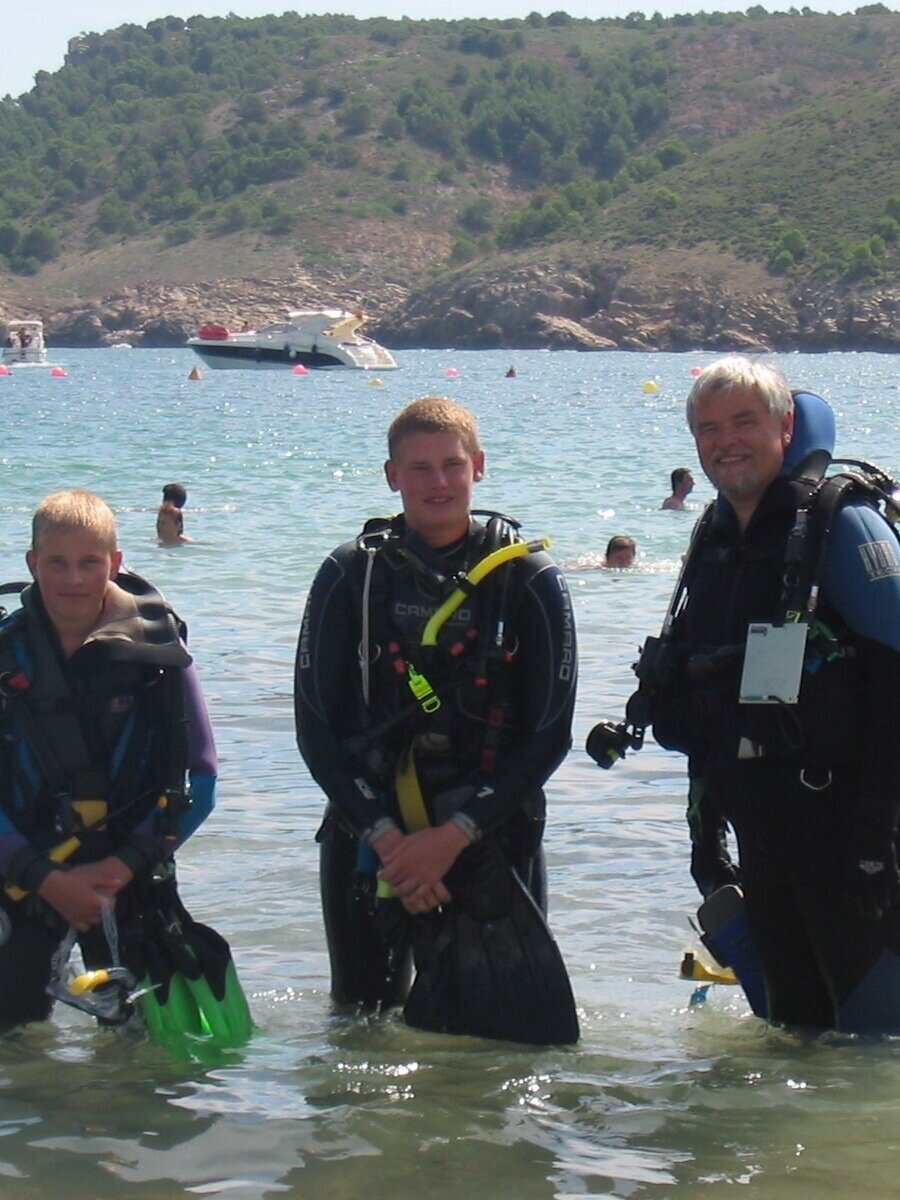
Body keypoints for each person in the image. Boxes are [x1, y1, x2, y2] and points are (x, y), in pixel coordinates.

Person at [295, 396, 579, 1043]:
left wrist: (451, 838)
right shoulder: (349, 575)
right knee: (359, 1034)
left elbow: (549, 734)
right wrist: (394, 846)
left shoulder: (530, 579)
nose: (438, 483)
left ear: (478, 468)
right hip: (371, 840)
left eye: (452, 465)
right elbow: (315, 728)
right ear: (392, 477)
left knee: (500, 1050)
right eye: (419, 469)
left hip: (489, 837)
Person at [630, 355, 900, 1032]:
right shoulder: (715, 541)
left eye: (744, 422)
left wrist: (877, 836)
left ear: (785, 427)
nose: (727, 440)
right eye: (710, 427)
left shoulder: (842, 526)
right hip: (766, 843)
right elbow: (708, 701)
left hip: (855, 841)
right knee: (797, 1047)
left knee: (878, 1052)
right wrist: (704, 835)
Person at [0, 490, 221, 1033]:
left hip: (129, 873)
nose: (73, 578)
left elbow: (204, 778)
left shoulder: (159, 651)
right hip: (24, 875)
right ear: (32, 564)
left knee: (144, 1058)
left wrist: (123, 867)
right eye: (57, 562)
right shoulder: (5, 654)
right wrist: (45, 877)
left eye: (89, 563)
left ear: (116, 563)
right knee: (15, 1051)